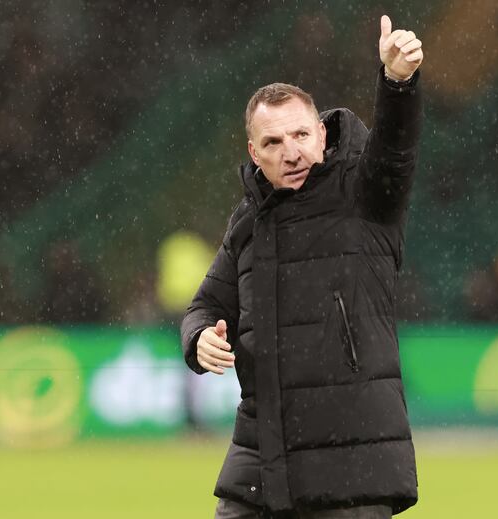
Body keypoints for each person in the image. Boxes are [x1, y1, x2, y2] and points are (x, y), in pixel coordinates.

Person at [180, 14, 424, 519]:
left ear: (321, 133)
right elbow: (204, 305)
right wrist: (198, 337)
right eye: (272, 143)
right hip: (261, 460)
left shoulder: (364, 193)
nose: (290, 152)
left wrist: (397, 83)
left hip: (351, 463)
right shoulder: (249, 221)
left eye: (299, 135)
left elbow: (396, 150)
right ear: (253, 152)